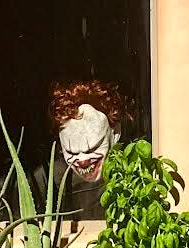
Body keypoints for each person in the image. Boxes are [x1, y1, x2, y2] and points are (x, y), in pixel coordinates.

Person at [31, 80, 132, 219]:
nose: (83, 160)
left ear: (115, 134)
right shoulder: (45, 182)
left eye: (93, 148)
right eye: (71, 152)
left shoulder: (132, 176)